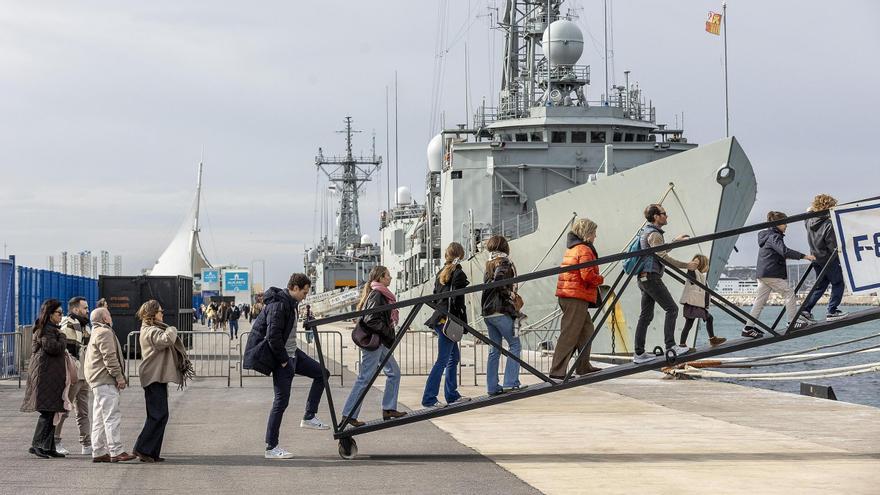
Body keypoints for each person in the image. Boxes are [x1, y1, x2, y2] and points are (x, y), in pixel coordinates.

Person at [243, 274, 330, 460]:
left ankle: (309, 416)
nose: (306, 296)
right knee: (281, 402)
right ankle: (271, 447)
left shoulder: (291, 304)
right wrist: (284, 361)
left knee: (322, 373)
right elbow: (273, 336)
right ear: (295, 288)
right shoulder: (279, 305)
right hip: (284, 357)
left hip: (293, 353)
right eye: (305, 292)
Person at [340, 266, 406, 427]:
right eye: (388, 276)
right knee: (365, 378)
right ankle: (348, 414)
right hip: (374, 341)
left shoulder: (381, 294)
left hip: (380, 341)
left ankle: (389, 408)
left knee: (394, 373)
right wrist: (388, 332)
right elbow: (371, 319)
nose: (390, 278)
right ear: (381, 278)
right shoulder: (377, 294)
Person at [632, 204, 698, 364]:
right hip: (652, 278)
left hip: (643, 278)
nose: (666, 216)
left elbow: (657, 253)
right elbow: (662, 257)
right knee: (672, 309)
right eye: (664, 214)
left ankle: (639, 354)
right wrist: (686, 265)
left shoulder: (647, 232)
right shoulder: (654, 234)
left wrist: (674, 241)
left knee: (646, 315)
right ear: (656, 216)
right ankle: (671, 346)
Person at [132, 300, 193, 463]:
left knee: (160, 415)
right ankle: (142, 449)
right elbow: (165, 340)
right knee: (157, 415)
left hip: (157, 376)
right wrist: (172, 329)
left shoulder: (152, 329)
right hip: (153, 377)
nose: (162, 314)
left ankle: (152, 452)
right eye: (160, 311)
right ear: (153, 314)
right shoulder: (150, 330)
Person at [743, 211, 815, 338]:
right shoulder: (773, 236)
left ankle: (748, 328)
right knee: (789, 293)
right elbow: (784, 251)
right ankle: (792, 322)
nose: (786, 225)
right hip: (771, 273)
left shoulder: (767, 235)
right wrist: (805, 256)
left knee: (759, 301)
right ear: (778, 224)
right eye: (785, 223)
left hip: (763, 273)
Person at [550, 218, 604, 379]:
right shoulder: (584, 249)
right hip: (575, 296)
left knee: (587, 330)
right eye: (594, 233)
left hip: (571, 294)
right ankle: (557, 371)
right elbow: (587, 275)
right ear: (587, 233)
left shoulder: (573, 248)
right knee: (570, 334)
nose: (595, 236)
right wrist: (600, 279)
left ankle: (583, 366)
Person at [422, 242, 471, 409]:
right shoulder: (458, 273)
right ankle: (429, 398)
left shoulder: (440, 273)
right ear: (461, 254)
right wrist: (462, 322)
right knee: (443, 360)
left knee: (453, 358)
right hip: (448, 321)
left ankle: (452, 395)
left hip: (440, 319)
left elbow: (436, 298)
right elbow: (458, 302)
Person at [85, 307, 136, 462]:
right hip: (105, 380)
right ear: (105, 319)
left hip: (97, 380)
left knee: (100, 418)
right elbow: (110, 358)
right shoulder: (105, 332)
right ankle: (116, 450)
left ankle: (99, 451)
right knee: (111, 416)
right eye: (109, 315)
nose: (111, 318)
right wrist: (119, 377)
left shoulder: (95, 332)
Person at [21, 299, 69, 458]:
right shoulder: (47, 330)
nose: (61, 316)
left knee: (52, 412)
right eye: (59, 313)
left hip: (50, 377)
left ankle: (48, 446)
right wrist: (63, 337)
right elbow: (53, 348)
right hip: (45, 378)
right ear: (50, 314)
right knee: (47, 413)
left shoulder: (50, 329)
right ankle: (37, 445)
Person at [480, 235, 524, 396]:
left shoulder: (489, 263)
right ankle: (510, 382)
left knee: (495, 349)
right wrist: (510, 295)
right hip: (500, 310)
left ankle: (492, 387)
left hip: (488, 313)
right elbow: (498, 282)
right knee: (515, 345)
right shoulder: (504, 262)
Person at [56, 296, 92, 456]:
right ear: (76, 309)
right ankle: (55, 441)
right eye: (85, 308)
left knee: (83, 412)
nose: (88, 310)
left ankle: (87, 444)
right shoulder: (68, 324)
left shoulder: (85, 326)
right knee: (64, 409)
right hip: (73, 375)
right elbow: (66, 351)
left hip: (85, 375)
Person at [801, 194, 847, 321]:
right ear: (828, 208)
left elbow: (808, 210)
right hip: (828, 259)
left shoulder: (809, 221)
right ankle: (832, 311)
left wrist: (813, 208)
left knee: (821, 285)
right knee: (838, 283)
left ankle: (805, 310)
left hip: (815, 258)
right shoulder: (828, 224)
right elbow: (832, 246)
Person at [678, 254, 726, 349]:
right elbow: (691, 269)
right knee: (699, 321)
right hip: (692, 304)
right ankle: (711, 340)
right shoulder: (693, 272)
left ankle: (683, 344)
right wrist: (695, 262)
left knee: (691, 324)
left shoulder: (701, 276)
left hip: (697, 304)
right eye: (706, 264)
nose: (707, 267)